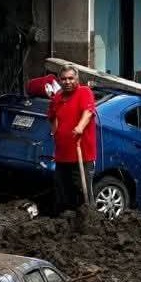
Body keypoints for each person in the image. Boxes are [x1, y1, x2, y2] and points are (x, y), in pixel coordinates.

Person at [48, 66, 96, 214]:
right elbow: (52, 117)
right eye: (63, 79)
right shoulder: (57, 97)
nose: (67, 81)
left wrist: (80, 127)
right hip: (62, 154)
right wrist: (54, 132)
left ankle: (87, 222)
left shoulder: (84, 92)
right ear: (59, 80)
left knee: (82, 191)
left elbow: (88, 112)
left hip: (81, 153)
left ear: (77, 79)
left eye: (70, 78)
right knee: (62, 192)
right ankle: (64, 224)